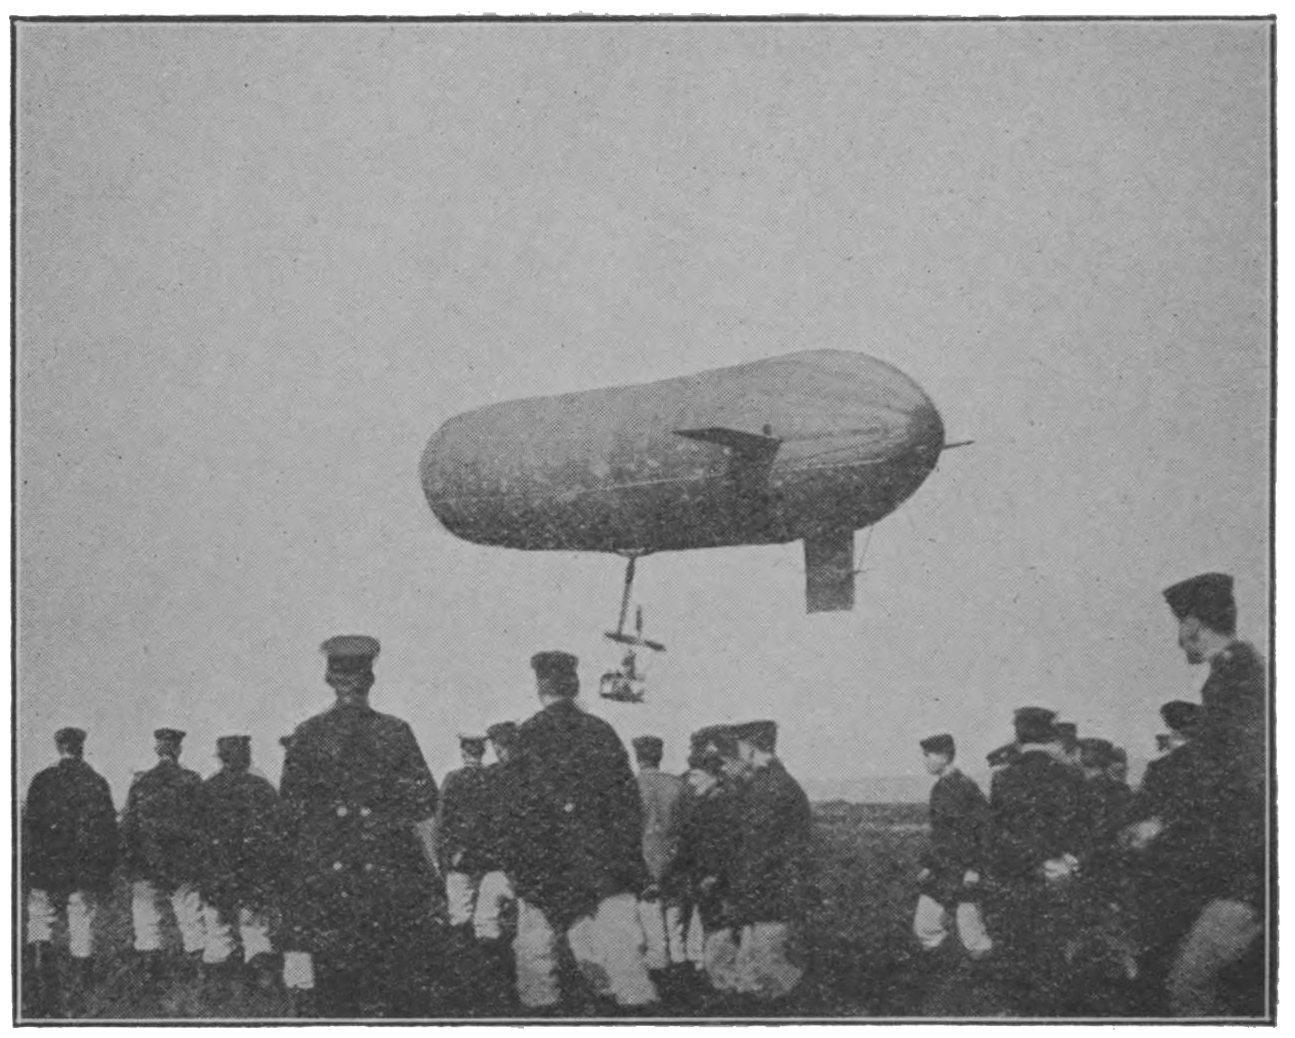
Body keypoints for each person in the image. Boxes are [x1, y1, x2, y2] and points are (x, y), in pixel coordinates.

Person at [278, 635, 441, 1017]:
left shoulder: (307, 734)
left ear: (329, 679)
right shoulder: (396, 732)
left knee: (337, 997)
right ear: (371, 679)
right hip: (390, 883)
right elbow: (424, 807)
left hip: (329, 886)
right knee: (395, 994)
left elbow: (290, 820)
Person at [504, 650, 657, 1013]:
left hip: (547, 863)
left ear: (540, 687)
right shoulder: (601, 732)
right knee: (622, 949)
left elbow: (515, 812)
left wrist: (521, 867)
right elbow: (627, 805)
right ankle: (638, 1014)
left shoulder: (527, 735)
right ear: (574, 685)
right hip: (603, 861)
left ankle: (541, 1015)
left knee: (537, 952)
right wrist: (624, 858)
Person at [1159, 574, 1267, 1017]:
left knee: (1188, 985)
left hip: (1249, 867)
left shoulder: (1233, 679)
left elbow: (1232, 779)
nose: (1178, 640)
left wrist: (1164, 823)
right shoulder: (1245, 670)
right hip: (1252, 862)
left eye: (1179, 626)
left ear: (1193, 624)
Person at [988, 707, 1086, 1015]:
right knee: (1056, 946)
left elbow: (998, 834)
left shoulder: (1004, 778)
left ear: (1018, 735)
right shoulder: (1070, 775)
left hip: (1018, 876)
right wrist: (1065, 860)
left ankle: (1020, 1012)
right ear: (1050, 735)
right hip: (1059, 873)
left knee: (1018, 945)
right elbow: (1080, 826)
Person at [22, 727, 119, 1015]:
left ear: (58, 747)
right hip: (81, 869)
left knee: (41, 922)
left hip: (46, 867)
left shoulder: (42, 779)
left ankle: (41, 984)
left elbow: (30, 827)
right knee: (81, 921)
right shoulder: (96, 781)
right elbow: (107, 831)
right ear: (81, 747)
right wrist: (103, 870)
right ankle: (81, 988)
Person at [724, 719, 812, 1004]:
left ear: (750, 748)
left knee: (770, 973)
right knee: (757, 971)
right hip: (775, 890)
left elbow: (756, 848)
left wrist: (740, 891)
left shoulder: (768, 788)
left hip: (770, 892)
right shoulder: (776, 782)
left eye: (740, 748)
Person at [120, 728, 209, 983]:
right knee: (190, 916)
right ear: (178, 750)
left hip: (147, 861)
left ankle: (151, 974)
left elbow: (129, 826)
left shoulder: (141, 782)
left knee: (146, 918)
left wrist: (130, 861)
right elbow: (203, 822)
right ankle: (200, 975)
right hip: (182, 862)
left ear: (157, 750)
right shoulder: (192, 780)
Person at [198, 735, 283, 992]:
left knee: (217, 930)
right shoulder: (262, 788)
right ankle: (263, 985)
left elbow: (196, 835)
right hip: (252, 872)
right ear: (247, 757)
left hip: (217, 871)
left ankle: (217, 987)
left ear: (220, 757)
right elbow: (276, 832)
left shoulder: (208, 788)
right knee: (256, 930)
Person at [912, 733, 993, 961]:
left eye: (929, 755)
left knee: (972, 935)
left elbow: (982, 831)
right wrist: (930, 865)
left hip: (963, 871)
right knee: (926, 927)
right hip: (943, 869)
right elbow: (941, 835)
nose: (925, 761)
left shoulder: (963, 787)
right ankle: (940, 970)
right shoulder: (941, 787)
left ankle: (984, 975)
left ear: (945, 757)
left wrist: (974, 869)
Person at [673, 727, 742, 990]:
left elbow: (725, 846)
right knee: (711, 929)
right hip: (703, 879)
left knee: (720, 933)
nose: (690, 782)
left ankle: (724, 985)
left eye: (696, 776)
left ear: (712, 777)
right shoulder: (704, 801)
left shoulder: (722, 803)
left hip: (716, 880)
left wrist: (713, 874)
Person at [632, 734, 688, 977]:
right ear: (660, 755)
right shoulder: (678, 785)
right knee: (675, 920)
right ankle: (680, 967)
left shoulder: (631, 786)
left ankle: (659, 969)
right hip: (675, 861)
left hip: (643, 862)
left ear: (638, 757)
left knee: (650, 919)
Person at [436, 735, 493, 938]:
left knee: (460, 915)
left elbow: (442, 821)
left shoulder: (453, 779)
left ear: (462, 752)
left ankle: (465, 952)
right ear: (483, 751)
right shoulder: (493, 778)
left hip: (460, 857)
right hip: (490, 858)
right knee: (488, 920)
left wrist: (445, 855)